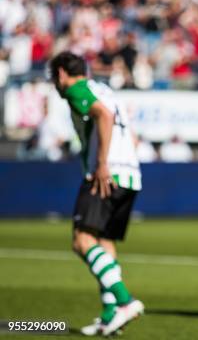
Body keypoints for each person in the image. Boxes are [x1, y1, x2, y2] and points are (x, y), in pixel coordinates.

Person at [49, 51, 145, 336]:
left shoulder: (77, 90)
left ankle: (125, 301)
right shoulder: (103, 88)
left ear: (62, 74)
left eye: (54, 77)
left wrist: (102, 163)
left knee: (82, 241)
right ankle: (109, 315)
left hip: (106, 173)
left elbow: (103, 115)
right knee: (104, 242)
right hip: (130, 173)